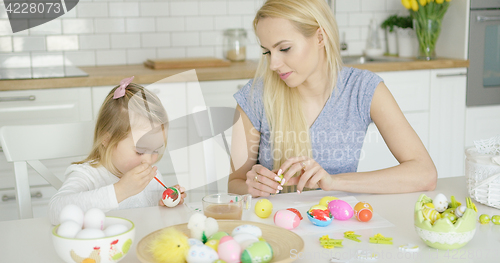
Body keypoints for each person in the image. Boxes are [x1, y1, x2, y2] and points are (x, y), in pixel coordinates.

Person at [228, 0, 437, 197]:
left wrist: (334, 182)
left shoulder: (362, 88)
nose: (273, 64)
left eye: (284, 49)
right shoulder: (256, 95)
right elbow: (234, 182)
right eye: (267, 52)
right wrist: (251, 185)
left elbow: (425, 174)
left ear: (320, 37)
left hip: (339, 226)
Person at [49, 77, 186, 225]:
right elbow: (56, 211)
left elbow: (154, 220)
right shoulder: (88, 175)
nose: (148, 160)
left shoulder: (152, 176)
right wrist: (120, 191)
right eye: (140, 151)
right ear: (107, 140)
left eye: (155, 150)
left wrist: (168, 205)